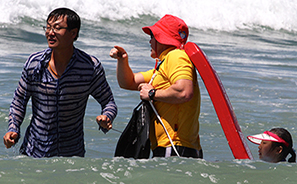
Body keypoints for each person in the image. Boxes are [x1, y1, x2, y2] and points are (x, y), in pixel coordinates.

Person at [3, 8, 117, 158]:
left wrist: (107, 116)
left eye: (57, 28)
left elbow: (109, 101)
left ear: (73, 33)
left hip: (71, 155)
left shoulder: (89, 66)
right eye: (48, 27)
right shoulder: (34, 64)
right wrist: (13, 129)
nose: (50, 32)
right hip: (34, 153)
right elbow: (19, 102)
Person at [110, 14, 202, 158]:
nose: (150, 41)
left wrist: (152, 94)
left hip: (175, 146)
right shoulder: (161, 66)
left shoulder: (176, 56)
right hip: (170, 146)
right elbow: (128, 82)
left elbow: (184, 91)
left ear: (162, 39)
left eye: (153, 36)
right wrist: (122, 60)